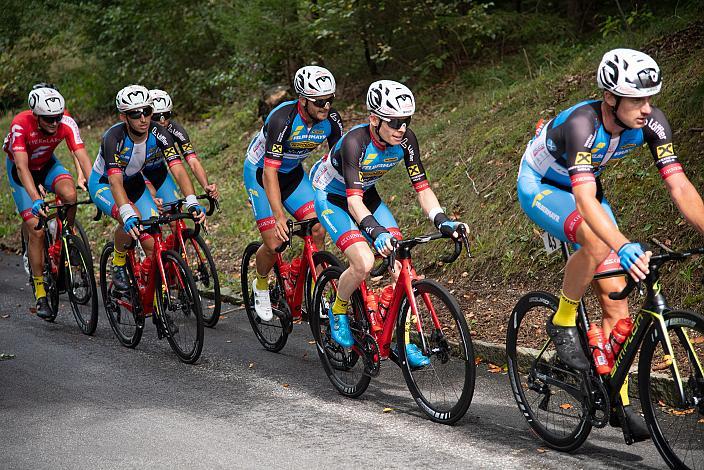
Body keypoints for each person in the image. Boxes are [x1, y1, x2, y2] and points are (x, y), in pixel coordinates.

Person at [516, 48, 704, 439]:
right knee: (600, 244)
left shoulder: (652, 124)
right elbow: (583, 204)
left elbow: (679, 185)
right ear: (611, 98)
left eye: (650, 98)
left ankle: (617, 401)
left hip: (586, 185)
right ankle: (564, 317)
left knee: (618, 303)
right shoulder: (583, 123)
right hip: (542, 187)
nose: (647, 108)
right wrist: (622, 245)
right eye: (637, 100)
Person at [310, 80, 467, 368]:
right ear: (374, 119)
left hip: (365, 194)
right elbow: (352, 203)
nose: (402, 128)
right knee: (364, 262)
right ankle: (339, 308)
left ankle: (402, 340)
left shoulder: (406, 141)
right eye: (394, 122)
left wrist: (442, 220)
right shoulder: (355, 143)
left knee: (401, 266)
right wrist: (375, 231)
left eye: (406, 121)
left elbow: (422, 188)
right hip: (332, 197)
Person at [244, 65, 343, 321]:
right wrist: (278, 217)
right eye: (320, 101)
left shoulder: (331, 121)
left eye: (330, 99)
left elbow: (337, 164)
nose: (326, 106)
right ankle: (261, 283)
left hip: (293, 174)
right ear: (303, 100)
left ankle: (315, 292)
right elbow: (269, 173)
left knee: (318, 228)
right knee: (275, 242)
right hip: (262, 174)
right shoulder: (281, 119)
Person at [88, 85, 205, 291]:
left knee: (152, 243)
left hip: (133, 182)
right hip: (104, 184)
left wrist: (192, 200)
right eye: (136, 114)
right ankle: (118, 262)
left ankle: (153, 294)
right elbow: (115, 181)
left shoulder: (159, 132)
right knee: (130, 216)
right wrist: (126, 211)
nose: (143, 118)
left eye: (147, 111)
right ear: (123, 117)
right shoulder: (113, 137)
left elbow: (177, 168)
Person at [3, 87, 94, 319]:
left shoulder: (66, 121)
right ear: (36, 116)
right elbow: (22, 167)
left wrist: (96, 187)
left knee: (70, 195)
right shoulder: (20, 125)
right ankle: (41, 291)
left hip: (46, 165)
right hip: (21, 173)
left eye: (58, 117)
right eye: (49, 119)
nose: (55, 122)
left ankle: (67, 236)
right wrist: (36, 199)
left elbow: (81, 154)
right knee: (37, 231)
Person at [144, 89, 219, 204]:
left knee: (174, 211)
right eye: (157, 117)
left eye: (166, 115)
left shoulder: (175, 130)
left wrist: (206, 185)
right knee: (150, 211)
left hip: (158, 171)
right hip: (137, 174)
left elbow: (193, 161)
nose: (162, 121)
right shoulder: (140, 133)